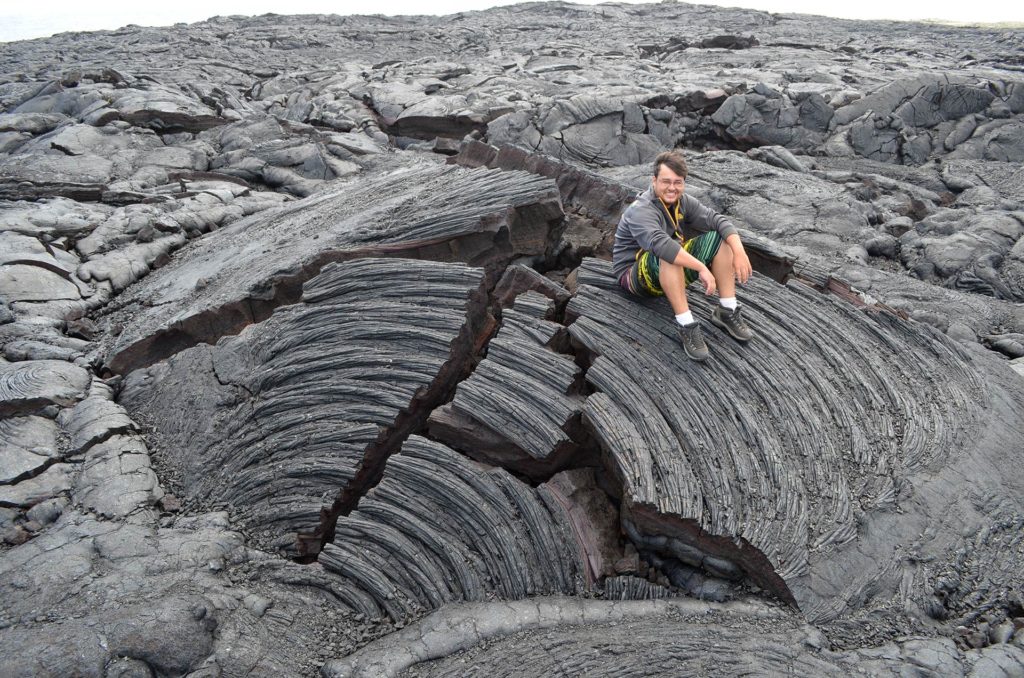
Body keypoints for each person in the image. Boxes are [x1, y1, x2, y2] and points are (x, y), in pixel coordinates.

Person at [612, 150, 753, 361]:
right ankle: (686, 324)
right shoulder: (641, 210)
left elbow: (719, 221)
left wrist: (739, 251)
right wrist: (702, 268)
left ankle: (727, 309)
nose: (672, 188)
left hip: (667, 270)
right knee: (668, 252)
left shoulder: (683, 202)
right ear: (654, 180)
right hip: (634, 277)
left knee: (721, 239)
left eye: (677, 182)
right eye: (666, 181)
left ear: (684, 183)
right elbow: (661, 246)